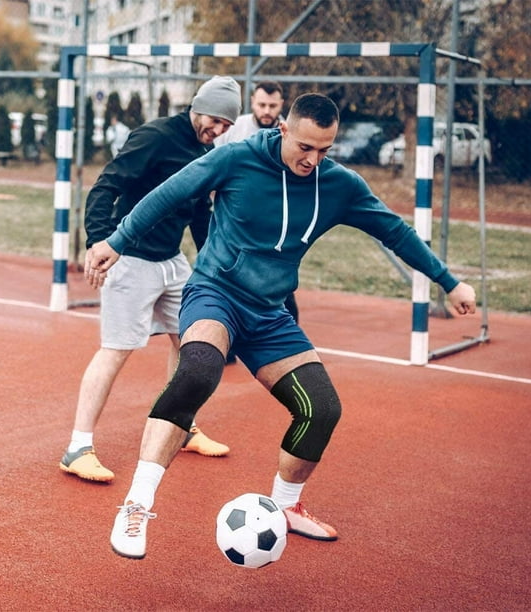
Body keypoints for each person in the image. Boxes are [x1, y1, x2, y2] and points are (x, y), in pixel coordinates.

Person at [86, 93, 477, 559]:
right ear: (284, 130)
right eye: (305, 147)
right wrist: (117, 240)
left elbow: (395, 231)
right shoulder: (237, 158)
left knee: (321, 409)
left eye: (325, 150)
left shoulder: (340, 186)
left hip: (270, 313)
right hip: (216, 294)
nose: (313, 159)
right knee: (197, 372)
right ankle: (136, 504)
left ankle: (288, 505)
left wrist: (449, 283)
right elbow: (168, 193)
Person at [59, 76, 242, 483]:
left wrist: (211, 265)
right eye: (215, 120)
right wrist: (98, 240)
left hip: (172, 262)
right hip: (132, 259)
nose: (219, 130)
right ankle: (78, 447)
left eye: (227, 126)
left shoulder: (204, 151)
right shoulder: (156, 137)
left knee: (192, 340)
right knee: (116, 350)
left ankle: (182, 426)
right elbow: (107, 185)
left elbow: (198, 214)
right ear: (199, 106)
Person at [214, 81, 299, 360]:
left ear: (281, 105)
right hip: (233, 220)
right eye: (261, 104)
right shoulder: (234, 129)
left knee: (278, 285)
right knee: (227, 280)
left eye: (272, 106)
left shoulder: (291, 132)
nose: (266, 110)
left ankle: (285, 347)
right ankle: (224, 346)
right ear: (252, 101)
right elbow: (212, 164)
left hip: (273, 223)